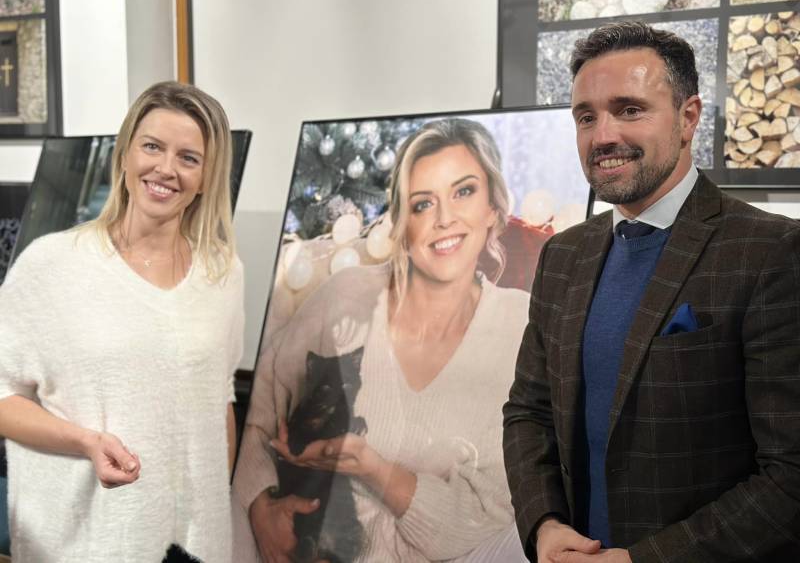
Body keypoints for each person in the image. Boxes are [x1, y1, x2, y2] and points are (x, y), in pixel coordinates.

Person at [503, 21, 800, 562]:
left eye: (629, 110)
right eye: (586, 117)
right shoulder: (563, 255)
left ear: (688, 118)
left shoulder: (770, 251)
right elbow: (529, 411)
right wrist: (544, 525)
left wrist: (643, 561)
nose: (602, 136)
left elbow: (790, 475)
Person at [233, 118, 529, 562]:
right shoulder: (346, 295)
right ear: (402, 223)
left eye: (463, 192)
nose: (444, 219)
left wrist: (374, 470)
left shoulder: (519, 324)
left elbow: (492, 511)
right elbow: (259, 418)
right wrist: (261, 509)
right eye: (423, 204)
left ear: (492, 208)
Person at [0, 81, 245, 562]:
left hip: (189, 545)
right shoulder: (51, 264)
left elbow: (220, 401)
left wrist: (215, 510)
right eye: (152, 147)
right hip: (79, 544)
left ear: (206, 177)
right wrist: (85, 442)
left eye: (188, 158)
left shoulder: (223, 273)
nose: (166, 169)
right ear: (126, 154)